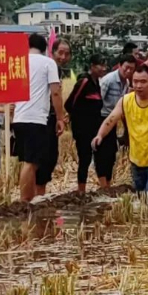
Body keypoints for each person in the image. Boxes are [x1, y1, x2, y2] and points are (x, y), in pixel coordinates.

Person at [93, 65, 148, 203]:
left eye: (143, 82)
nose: (138, 86)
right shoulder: (126, 101)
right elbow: (111, 119)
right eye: (135, 81)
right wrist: (100, 135)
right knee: (143, 199)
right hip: (137, 158)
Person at [12, 34, 65, 203]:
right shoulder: (48, 63)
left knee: (28, 161)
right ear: (45, 48)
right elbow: (55, 92)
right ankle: (25, 200)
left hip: (19, 118)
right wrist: (60, 118)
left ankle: (29, 199)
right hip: (36, 119)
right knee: (32, 162)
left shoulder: (19, 61)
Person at [64, 54, 107, 194]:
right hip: (82, 129)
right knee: (85, 159)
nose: (103, 68)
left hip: (95, 128)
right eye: (100, 65)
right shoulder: (84, 82)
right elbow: (69, 104)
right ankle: (81, 190)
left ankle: (104, 188)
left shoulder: (96, 83)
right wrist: (77, 118)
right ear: (92, 66)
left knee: (100, 157)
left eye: (104, 65)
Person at [35, 38, 72, 196]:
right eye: (60, 53)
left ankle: (38, 194)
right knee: (46, 158)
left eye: (67, 54)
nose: (63, 57)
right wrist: (60, 117)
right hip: (45, 118)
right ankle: (38, 195)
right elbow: (55, 94)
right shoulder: (50, 67)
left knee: (46, 158)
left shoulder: (53, 68)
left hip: (45, 117)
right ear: (52, 52)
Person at [97, 54, 136, 188]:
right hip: (103, 118)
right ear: (120, 66)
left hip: (114, 120)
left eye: (132, 69)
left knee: (112, 152)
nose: (128, 71)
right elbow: (98, 100)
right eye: (126, 68)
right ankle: (103, 184)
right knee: (103, 152)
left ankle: (108, 182)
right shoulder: (108, 80)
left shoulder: (127, 83)